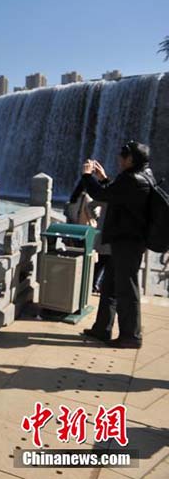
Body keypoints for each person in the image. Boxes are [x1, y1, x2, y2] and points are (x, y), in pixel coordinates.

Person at [81, 141, 153, 349]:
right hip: (125, 241)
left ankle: (131, 336)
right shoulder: (141, 175)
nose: (119, 158)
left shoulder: (133, 179)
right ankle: (102, 328)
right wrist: (104, 179)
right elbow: (117, 194)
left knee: (127, 290)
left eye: (123, 155)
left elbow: (102, 195)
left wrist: (87, 176)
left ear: (131, 159)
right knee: (110, 286)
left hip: (127, 242)